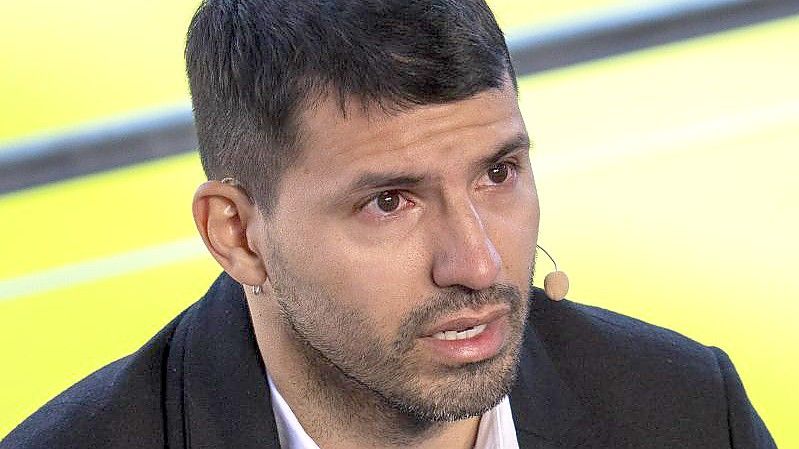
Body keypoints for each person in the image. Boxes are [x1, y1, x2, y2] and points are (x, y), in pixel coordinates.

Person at [1, 1, 776, 448]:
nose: (476, 263)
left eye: (497, 173)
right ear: (236, 235)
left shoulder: (685, 410)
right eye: (388, 201)